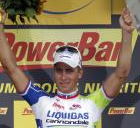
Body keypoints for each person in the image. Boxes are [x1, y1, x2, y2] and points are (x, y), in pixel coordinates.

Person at [0, 8, 134, 128]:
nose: (63, 77)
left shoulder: (92, 104)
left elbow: (121, 74)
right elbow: (10, 67)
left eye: (69, 70)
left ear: (80, 73)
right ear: (54, 72)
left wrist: (127, 32)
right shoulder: (41, 102)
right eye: (59, 70)